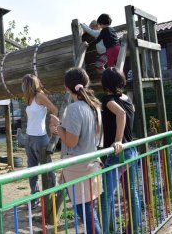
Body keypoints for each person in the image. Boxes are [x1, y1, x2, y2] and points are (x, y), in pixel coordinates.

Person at [50, 67, 102, 234]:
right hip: (91, 165)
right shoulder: (94, 106)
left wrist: (58, 126)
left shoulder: (74, 108)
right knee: (89, 211)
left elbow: (71, 141)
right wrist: (61, 128)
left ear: (67, 87)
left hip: (77, 168)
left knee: (86, 213)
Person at [100, 67, 141, 234]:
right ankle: (133, 230)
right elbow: (128, 112)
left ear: (105, 84)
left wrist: (117, 140)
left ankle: (108, 231)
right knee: (132, 194)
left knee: (106, 196)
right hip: (131, 150)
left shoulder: (108, 100)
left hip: (117, 154)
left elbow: (121, 114)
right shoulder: (127, 98)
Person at [18, 74, 58, 209]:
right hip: (29, 137)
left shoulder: (39, 96)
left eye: (24, 84)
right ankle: (34, 197)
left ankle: (54, 192)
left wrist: (53, 126)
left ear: (29, 84)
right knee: (32, 169)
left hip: (41, 138)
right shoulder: (29, 99)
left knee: (47, 169)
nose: (22, 86)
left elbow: (54, 109)